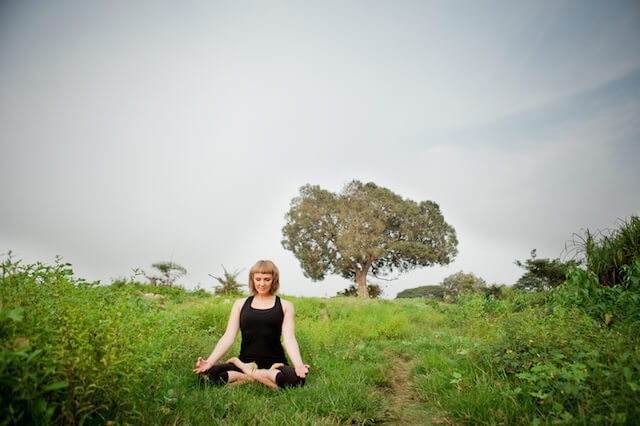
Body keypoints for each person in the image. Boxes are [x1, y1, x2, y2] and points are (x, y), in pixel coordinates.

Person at [193, 260, 309, 389]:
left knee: (296, 381)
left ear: (274, 280)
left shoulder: (285, 305)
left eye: (267, 279)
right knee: (206, 376)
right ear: (252, 280)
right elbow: (229, 336)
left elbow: (289, 338)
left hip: (275, 365)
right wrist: (209, 362)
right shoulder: (240, 304)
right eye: (258, 279)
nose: (262, 284)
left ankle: (249, 375)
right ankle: (258, 377)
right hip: (245, 362)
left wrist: (298, 365)